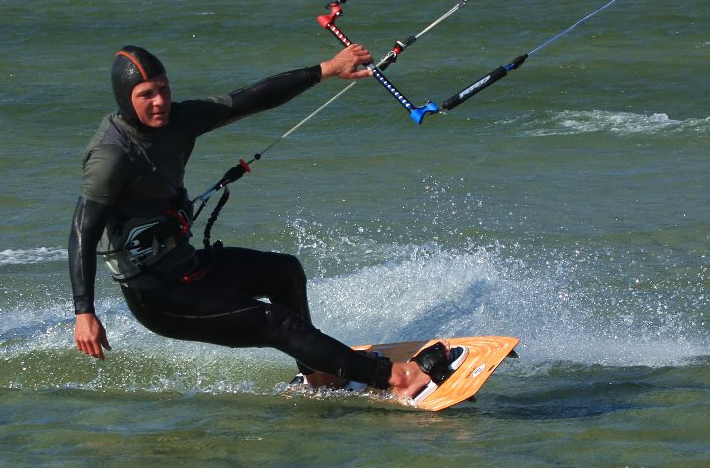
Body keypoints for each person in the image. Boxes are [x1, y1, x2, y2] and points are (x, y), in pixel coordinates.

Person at [69, 44, 455, 400]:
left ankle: (318, 374)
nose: (160, 102)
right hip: (157, 296)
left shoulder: (179, 121)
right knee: (277, 324)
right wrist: (84, 312)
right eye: (146, 95)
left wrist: (327, 69)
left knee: (284, 273)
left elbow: (249, 99)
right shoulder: (112, 157)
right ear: (125, 98)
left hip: (187, 267)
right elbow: (82, 231)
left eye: (164, 89)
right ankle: (397, 379)